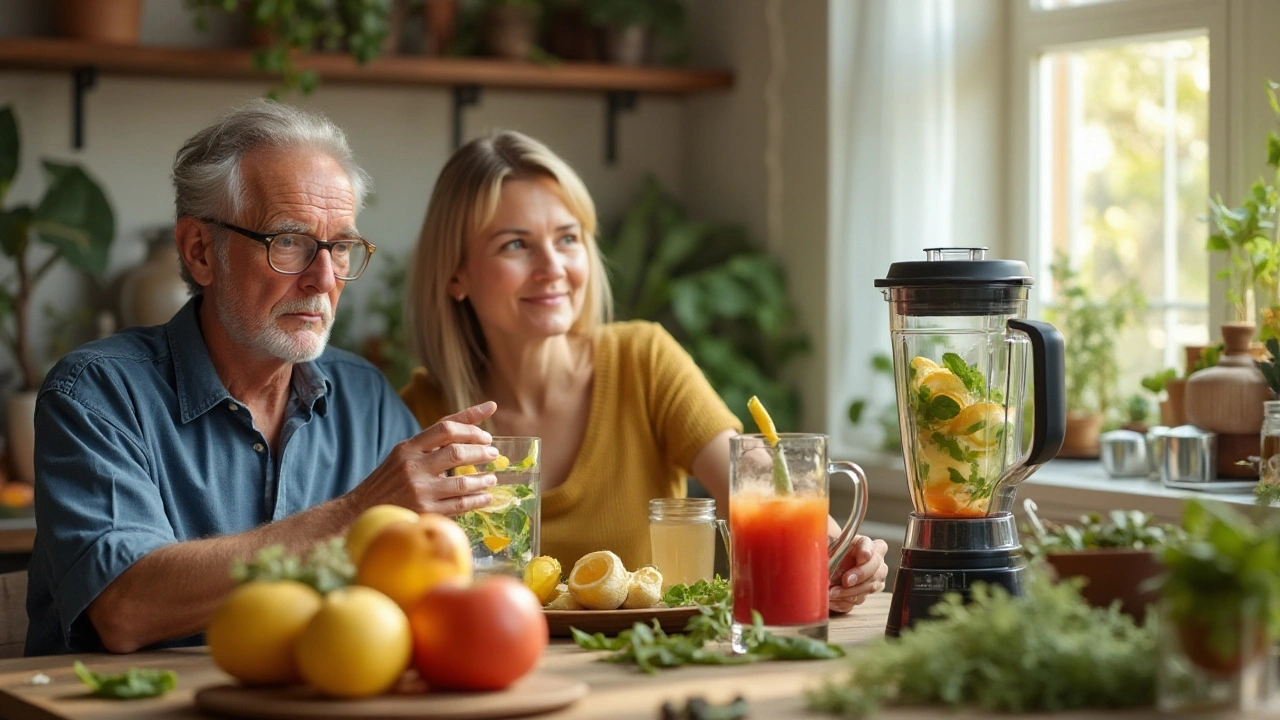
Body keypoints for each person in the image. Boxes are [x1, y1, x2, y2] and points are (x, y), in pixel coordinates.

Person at [25, 101, 499, 656]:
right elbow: (127, 606)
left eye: (340, 246)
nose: (323, 278)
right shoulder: (97, 395)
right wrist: (354, 513)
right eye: (289, 242)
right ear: (200, 252)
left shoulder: (365, 398)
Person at [400, 131, 889, 614]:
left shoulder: (643, 359)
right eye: (515, 245)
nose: (553, 267)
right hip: (495, 673)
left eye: (568, 238)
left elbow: (755, 482)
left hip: (647, 670)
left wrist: (844, 559)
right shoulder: (417, 415)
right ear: (455, 273)